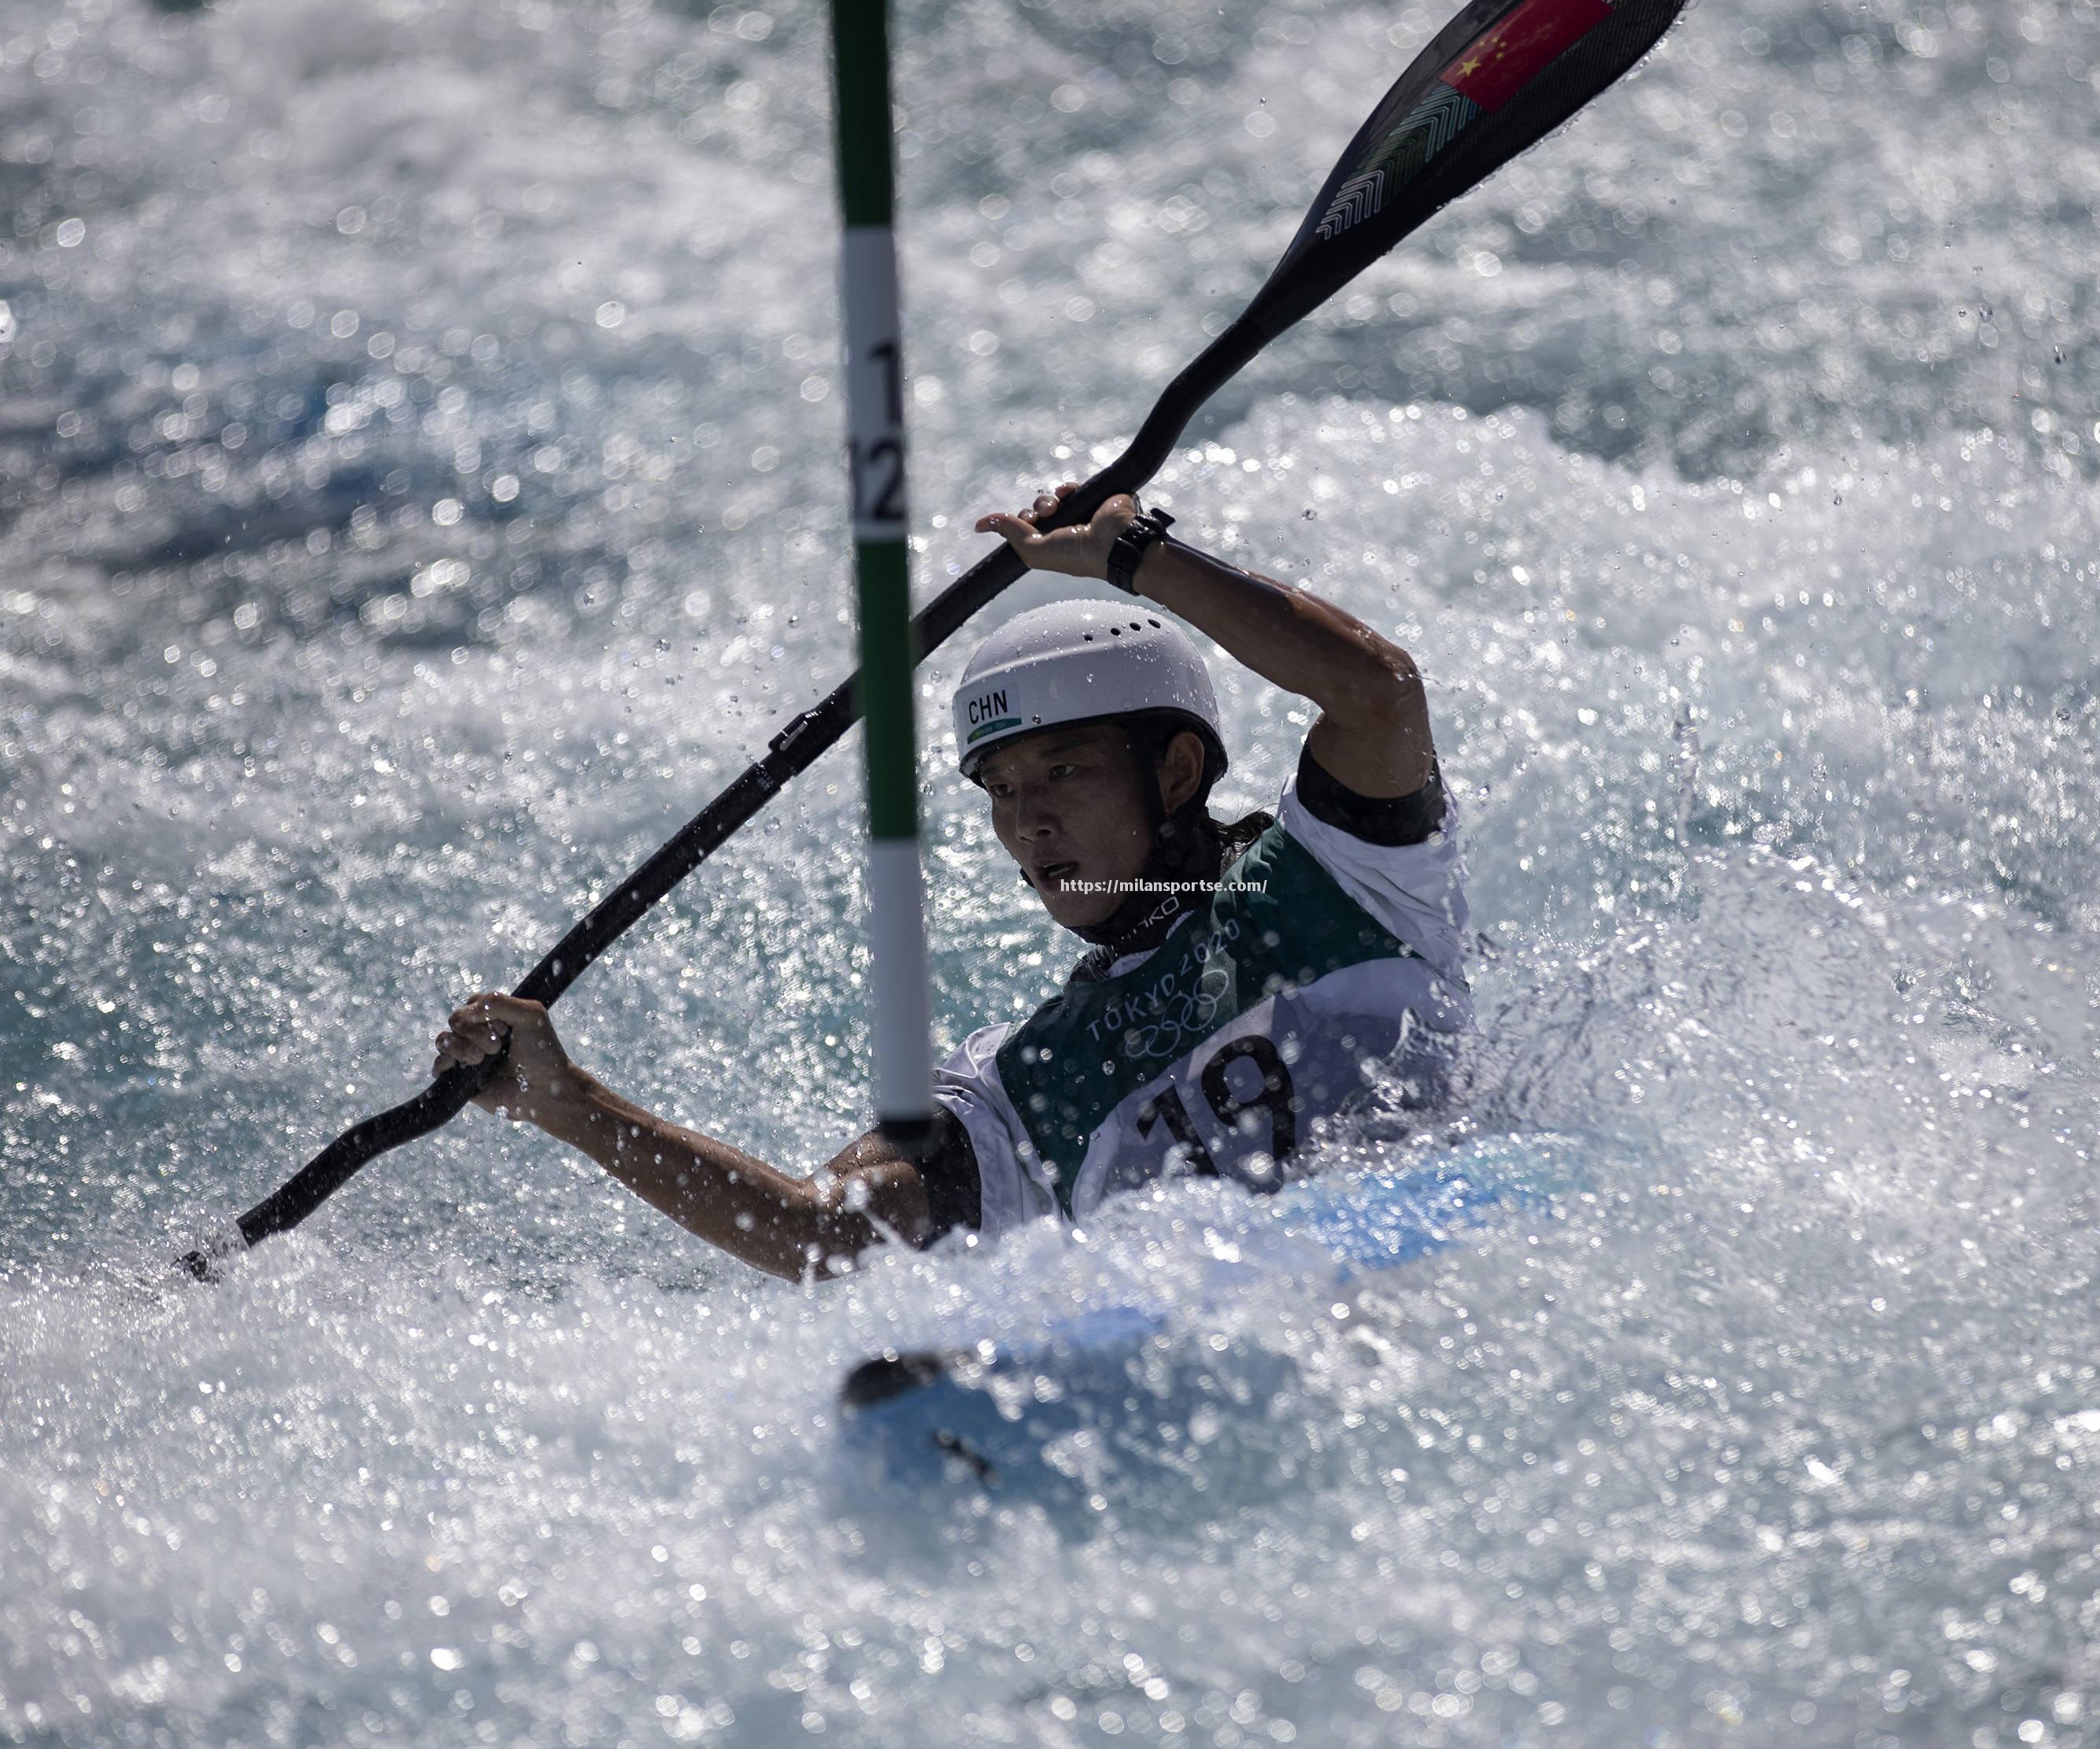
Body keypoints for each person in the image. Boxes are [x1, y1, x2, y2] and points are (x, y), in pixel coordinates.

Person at [432, 486, 1469, 1279]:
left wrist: (1137, 557)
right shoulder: (1020, 1086)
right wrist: (577, 1107)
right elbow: (815, 1232)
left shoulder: (1347, 875)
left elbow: (1376, 691)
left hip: (1461, 1253)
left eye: (1064, 771)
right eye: (1002, 789)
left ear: (1179, 772)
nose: (1028, 819)